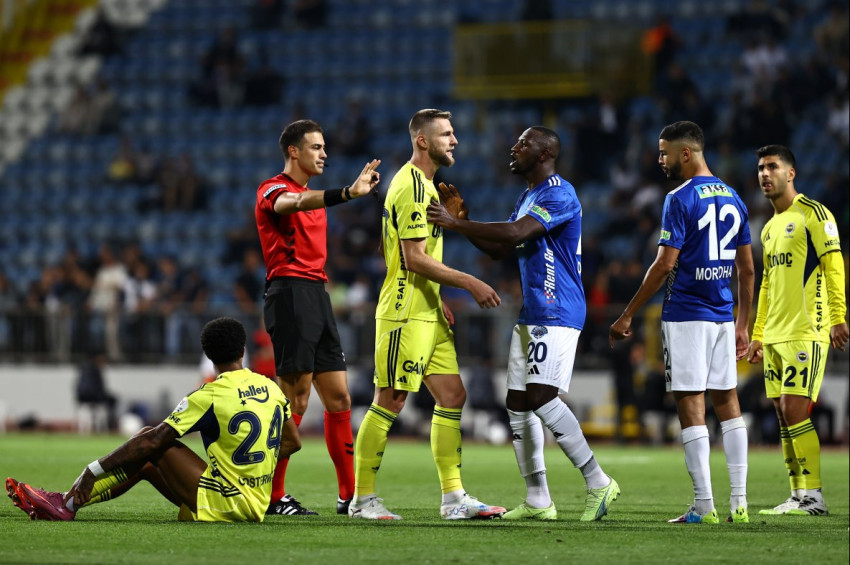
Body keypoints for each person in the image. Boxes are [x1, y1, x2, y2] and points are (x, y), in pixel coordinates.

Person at [426, 126, 620, 521]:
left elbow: (516, 232)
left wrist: (456, 224)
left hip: (558, 309)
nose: (513, 148)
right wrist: (465, 220)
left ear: (546, 151)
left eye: (523, 143)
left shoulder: (559, 193)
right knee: (517, 402)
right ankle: (537, 499)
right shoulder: (528, 196)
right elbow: (501, 249)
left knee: (542, 397)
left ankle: (598, 481)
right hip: (533, 311)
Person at [349, 108, 504, 521]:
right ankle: (362, 500)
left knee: (454, 395)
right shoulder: (413, 186)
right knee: (391, 399)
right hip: (404, 312)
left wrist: (438, 295)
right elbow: (413, 259)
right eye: (447, 134)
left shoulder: (427, 188)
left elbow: (390, 249)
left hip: (428, 310)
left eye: (454, 134)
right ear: (422, 140)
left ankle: (454, 499)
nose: (454, 140)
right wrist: (469, 282)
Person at [6, 317, 300, 522]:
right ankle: (66, 504)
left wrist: (92, 470)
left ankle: (65, 502)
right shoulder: (270, 387)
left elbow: (153, 439)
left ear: (208, 357)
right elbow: (293, 442)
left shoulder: (209, 395)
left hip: (227, 503)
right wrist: (255, 466)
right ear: (243, 350)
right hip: (257, 503)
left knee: (150, 440)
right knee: (145, 463)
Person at [609, 121, 754, 524]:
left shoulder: (679, 198)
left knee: (691, 405)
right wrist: (742, 324)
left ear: (685, 153)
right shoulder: (734, 196)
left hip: (687, 314)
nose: (660, 160)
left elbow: (664, 264)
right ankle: (739, 505)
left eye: (664, 152)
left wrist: (628, 314)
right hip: (723, 315)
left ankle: (704, 507)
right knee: (728, 403)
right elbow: (746, 269)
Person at [255, 119, 381, 516]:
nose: (324, 153)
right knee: (296, 397)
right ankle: (273, 496)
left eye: (324, 147)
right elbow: (286, 205)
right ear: (294, 151)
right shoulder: (273, 188)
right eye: (315, 147)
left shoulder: (311, 195)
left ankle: (349, 496)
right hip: (289, 293)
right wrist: (347, 193)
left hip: (316, 294)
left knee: (339, 397)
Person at [746, 145, 848, 516]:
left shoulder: (814, 214)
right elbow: (768, 285)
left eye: (773, 166)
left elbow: (833, 266)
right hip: (775, 333)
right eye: (760, 167)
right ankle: (797, 494)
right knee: (781, 412)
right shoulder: (770, 228)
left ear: (791, 173)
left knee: (795, 409)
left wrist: (839, 316)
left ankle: (815, 497)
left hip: (807, 329)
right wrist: (758, 334)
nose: (764, 174)